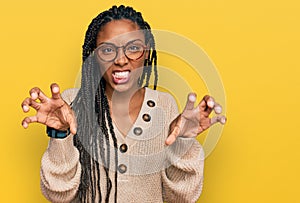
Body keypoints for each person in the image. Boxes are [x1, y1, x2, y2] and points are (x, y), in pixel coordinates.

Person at [21, 5, 226, 203]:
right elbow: (58, 196)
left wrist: (183, 142)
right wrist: (60, 135)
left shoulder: (165, 106)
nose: (120, 60)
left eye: (133, 48)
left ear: (146, 53)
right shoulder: (74, 103)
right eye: (107, 49)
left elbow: (182, 198)